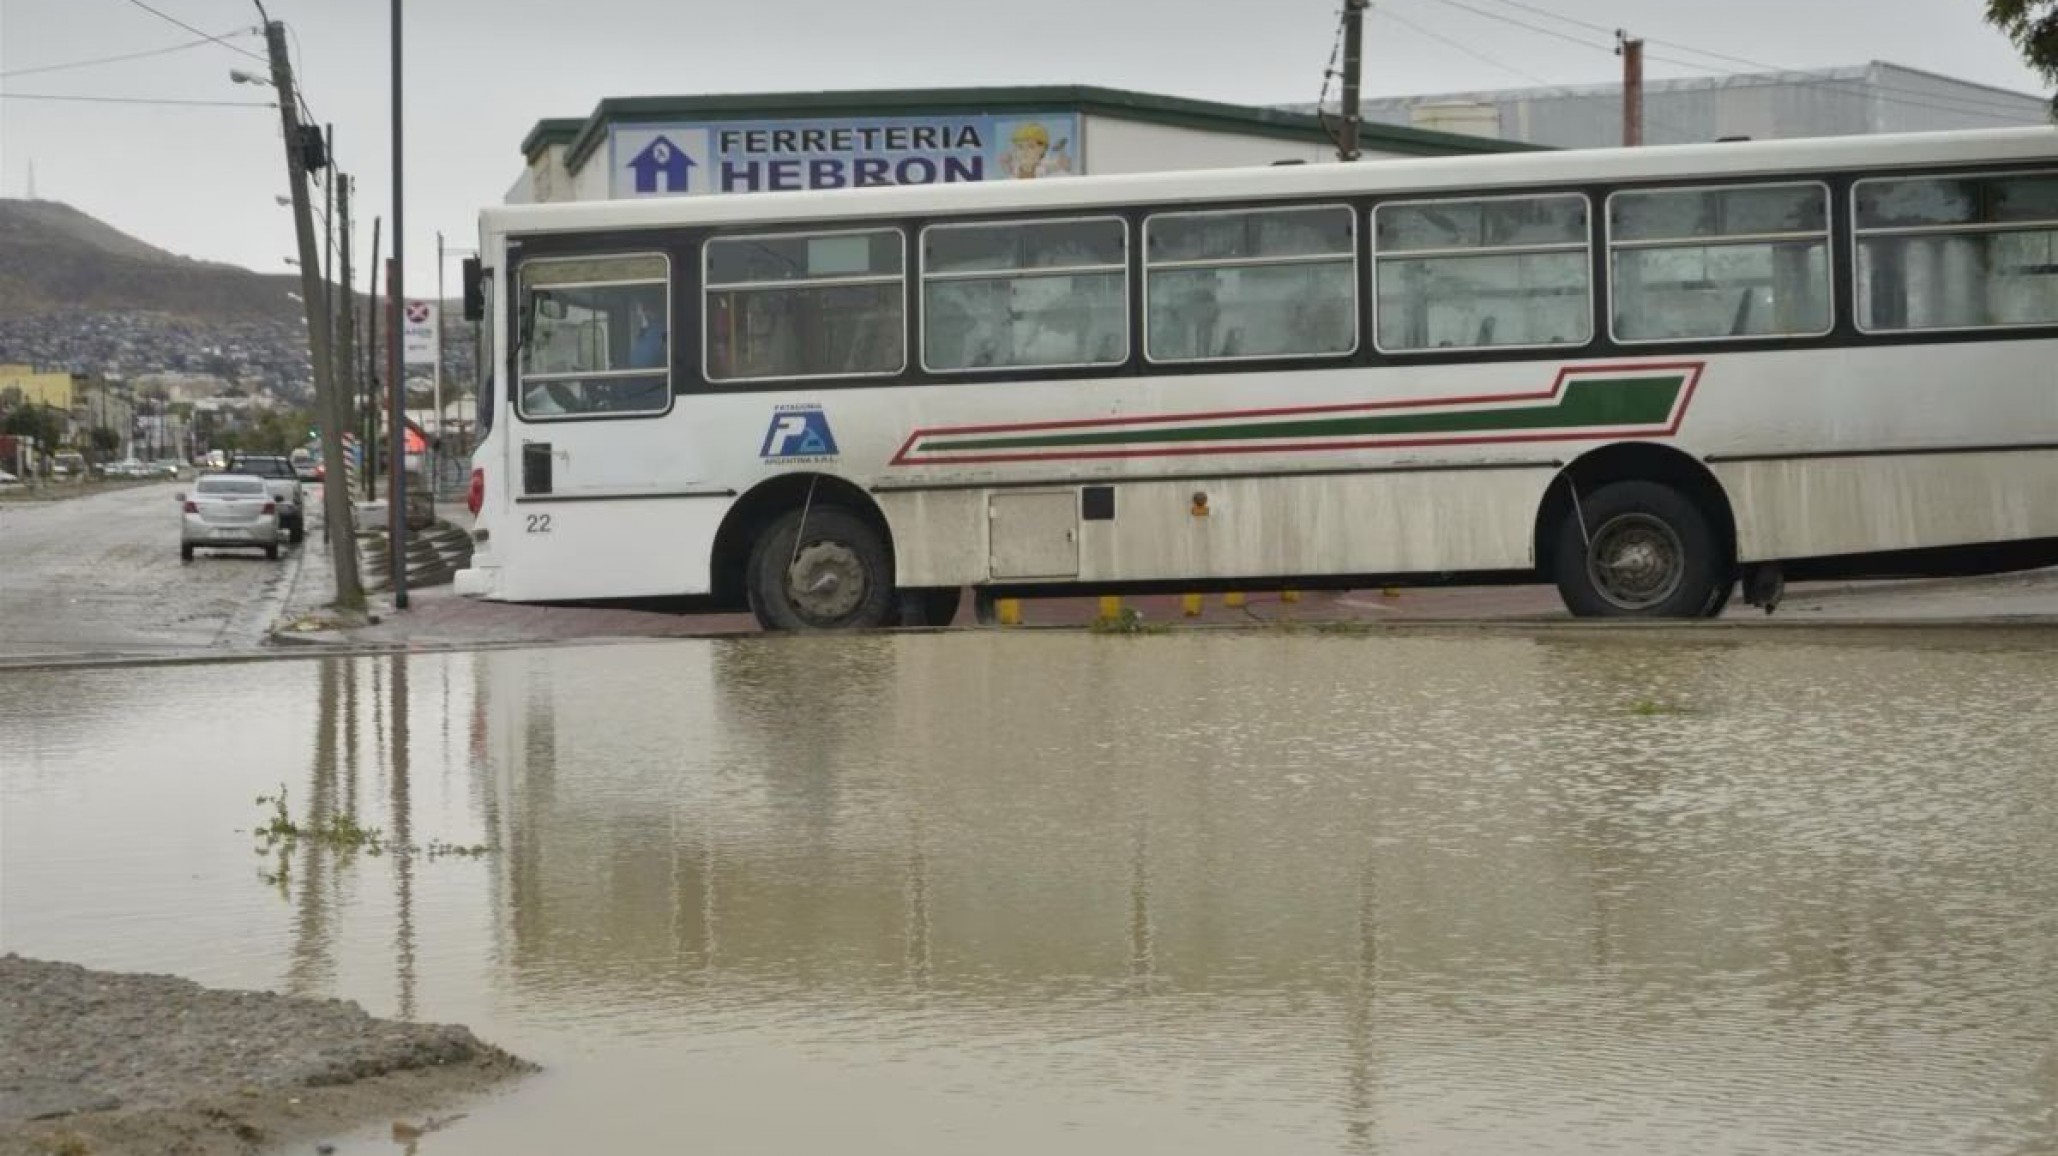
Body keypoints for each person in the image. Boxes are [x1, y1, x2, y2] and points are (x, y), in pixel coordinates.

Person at [999, 122, 1072, 180]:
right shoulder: (1007, 181)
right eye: (1020, 147)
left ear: (1042, 149)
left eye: (1031, 146)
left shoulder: (1057, 177)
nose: (1025, 151)